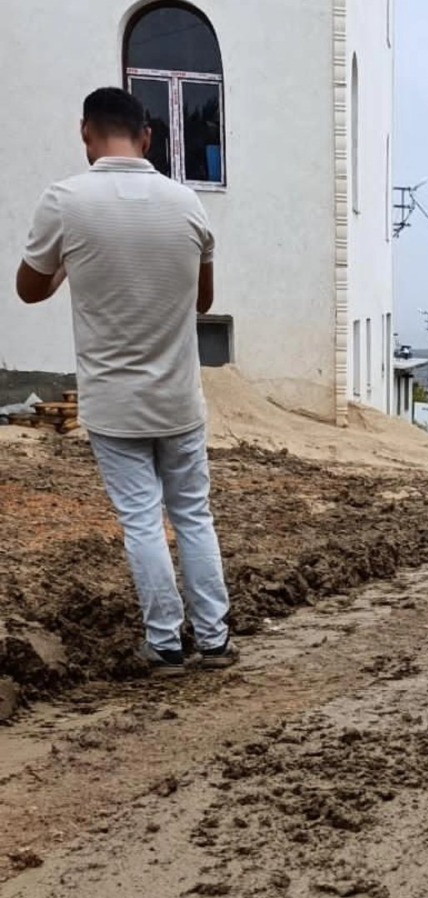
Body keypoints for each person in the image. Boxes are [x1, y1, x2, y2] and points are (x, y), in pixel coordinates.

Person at [16, 87, 236, 676]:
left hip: (114, 403)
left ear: (86, 133)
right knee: (194, 514)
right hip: (179, 397)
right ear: (147, 137)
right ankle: (214, 641)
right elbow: (202, 299)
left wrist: (69, 263)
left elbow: (29, 289)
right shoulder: (187, 203)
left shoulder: (65, 201)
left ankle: (164, 644)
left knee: (142, 520)